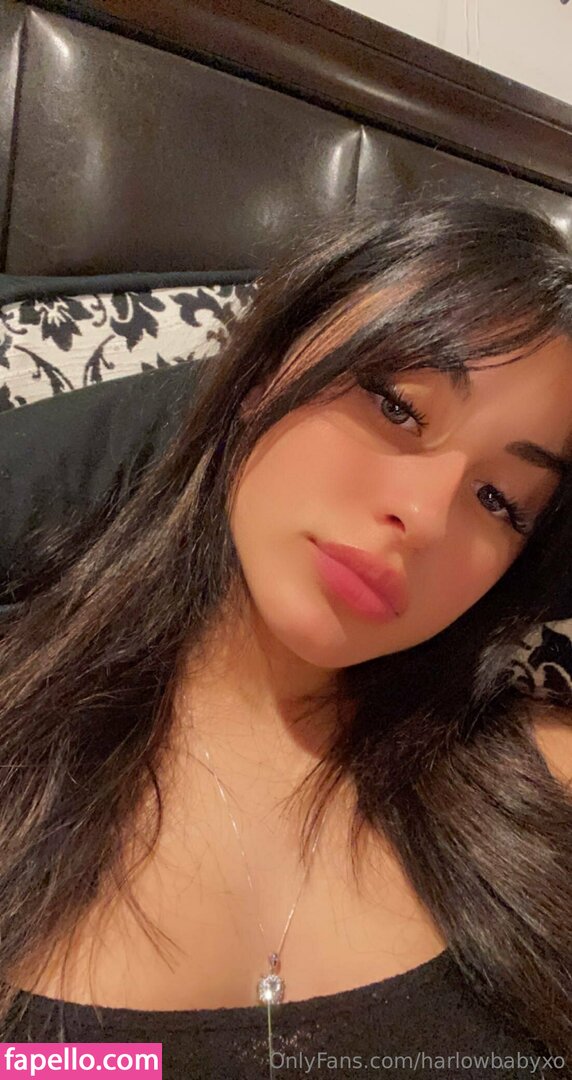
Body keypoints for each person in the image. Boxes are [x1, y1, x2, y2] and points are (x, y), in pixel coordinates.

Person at [0, 194, 571, 1079]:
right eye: (397, 406)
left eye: (499, 501)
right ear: (265, 371)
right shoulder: (21, 715)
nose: (425, 518)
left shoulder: (544, 786)